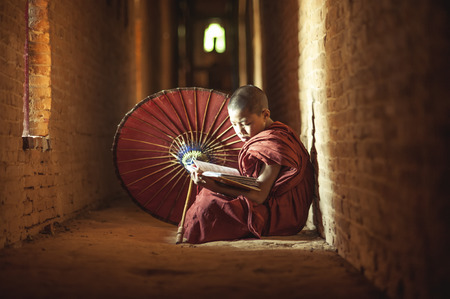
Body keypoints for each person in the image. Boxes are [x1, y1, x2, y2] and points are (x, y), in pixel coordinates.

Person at [183, 85, 314, 243]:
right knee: (208, 196)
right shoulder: (265, 137)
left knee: (210, 204)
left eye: (245, 123)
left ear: (265, 115)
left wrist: (214, 186)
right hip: (266, 201)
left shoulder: (276, 143)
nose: (239, 131)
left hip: (281, 215)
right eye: (234, 124)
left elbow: (259, 196)